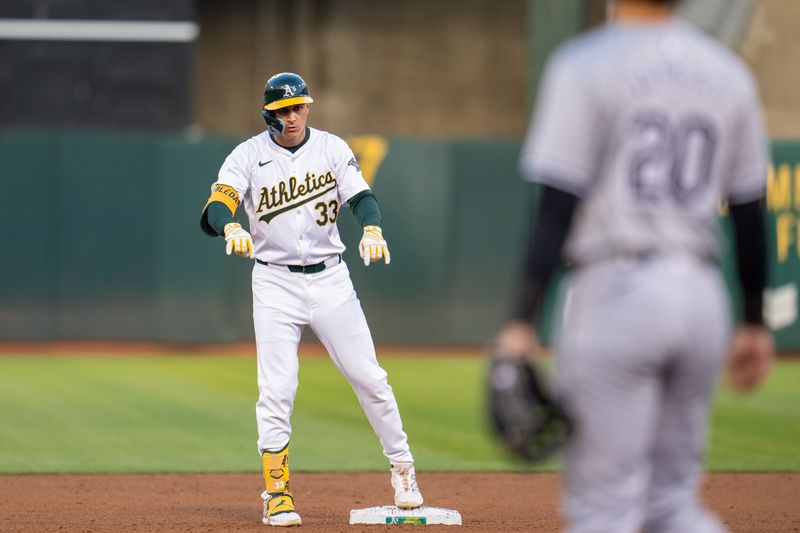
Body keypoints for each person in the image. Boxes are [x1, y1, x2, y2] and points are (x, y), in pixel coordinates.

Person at [495, 1, 774, 531]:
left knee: (604, 511)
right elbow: (748, 210)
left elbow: (556, 206)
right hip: (701, 294)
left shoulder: (584, 63)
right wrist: (755, 320)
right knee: (672, 505)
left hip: (617, 289)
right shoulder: (728, 72)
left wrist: (520, 319)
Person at [200, 72, 423, 527]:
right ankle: (276, 493)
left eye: (298, 107)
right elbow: (215, 207)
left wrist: (373, 227)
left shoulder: (332, 148)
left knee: (371, 378)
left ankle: (403, 469)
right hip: (275, 283)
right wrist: (231, 226)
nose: (293, 116)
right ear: (269, 114)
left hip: (331, 280)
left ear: (308, 108)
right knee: (277, 390)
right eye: (283, 110)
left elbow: (361, 197)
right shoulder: (247, 156)